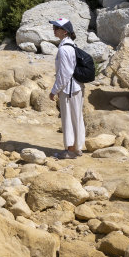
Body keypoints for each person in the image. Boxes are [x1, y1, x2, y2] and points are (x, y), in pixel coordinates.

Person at [48, 17, 86, 159]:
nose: (54, 30)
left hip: (69, 89)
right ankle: (77, 149)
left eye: (56, 28)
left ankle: (70, 151)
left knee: (69, 119)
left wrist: (54, 91)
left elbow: (64, 74)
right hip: (76, 87)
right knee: (77, 118)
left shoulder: (64, 49)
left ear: (64, 31)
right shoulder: (71, 45)